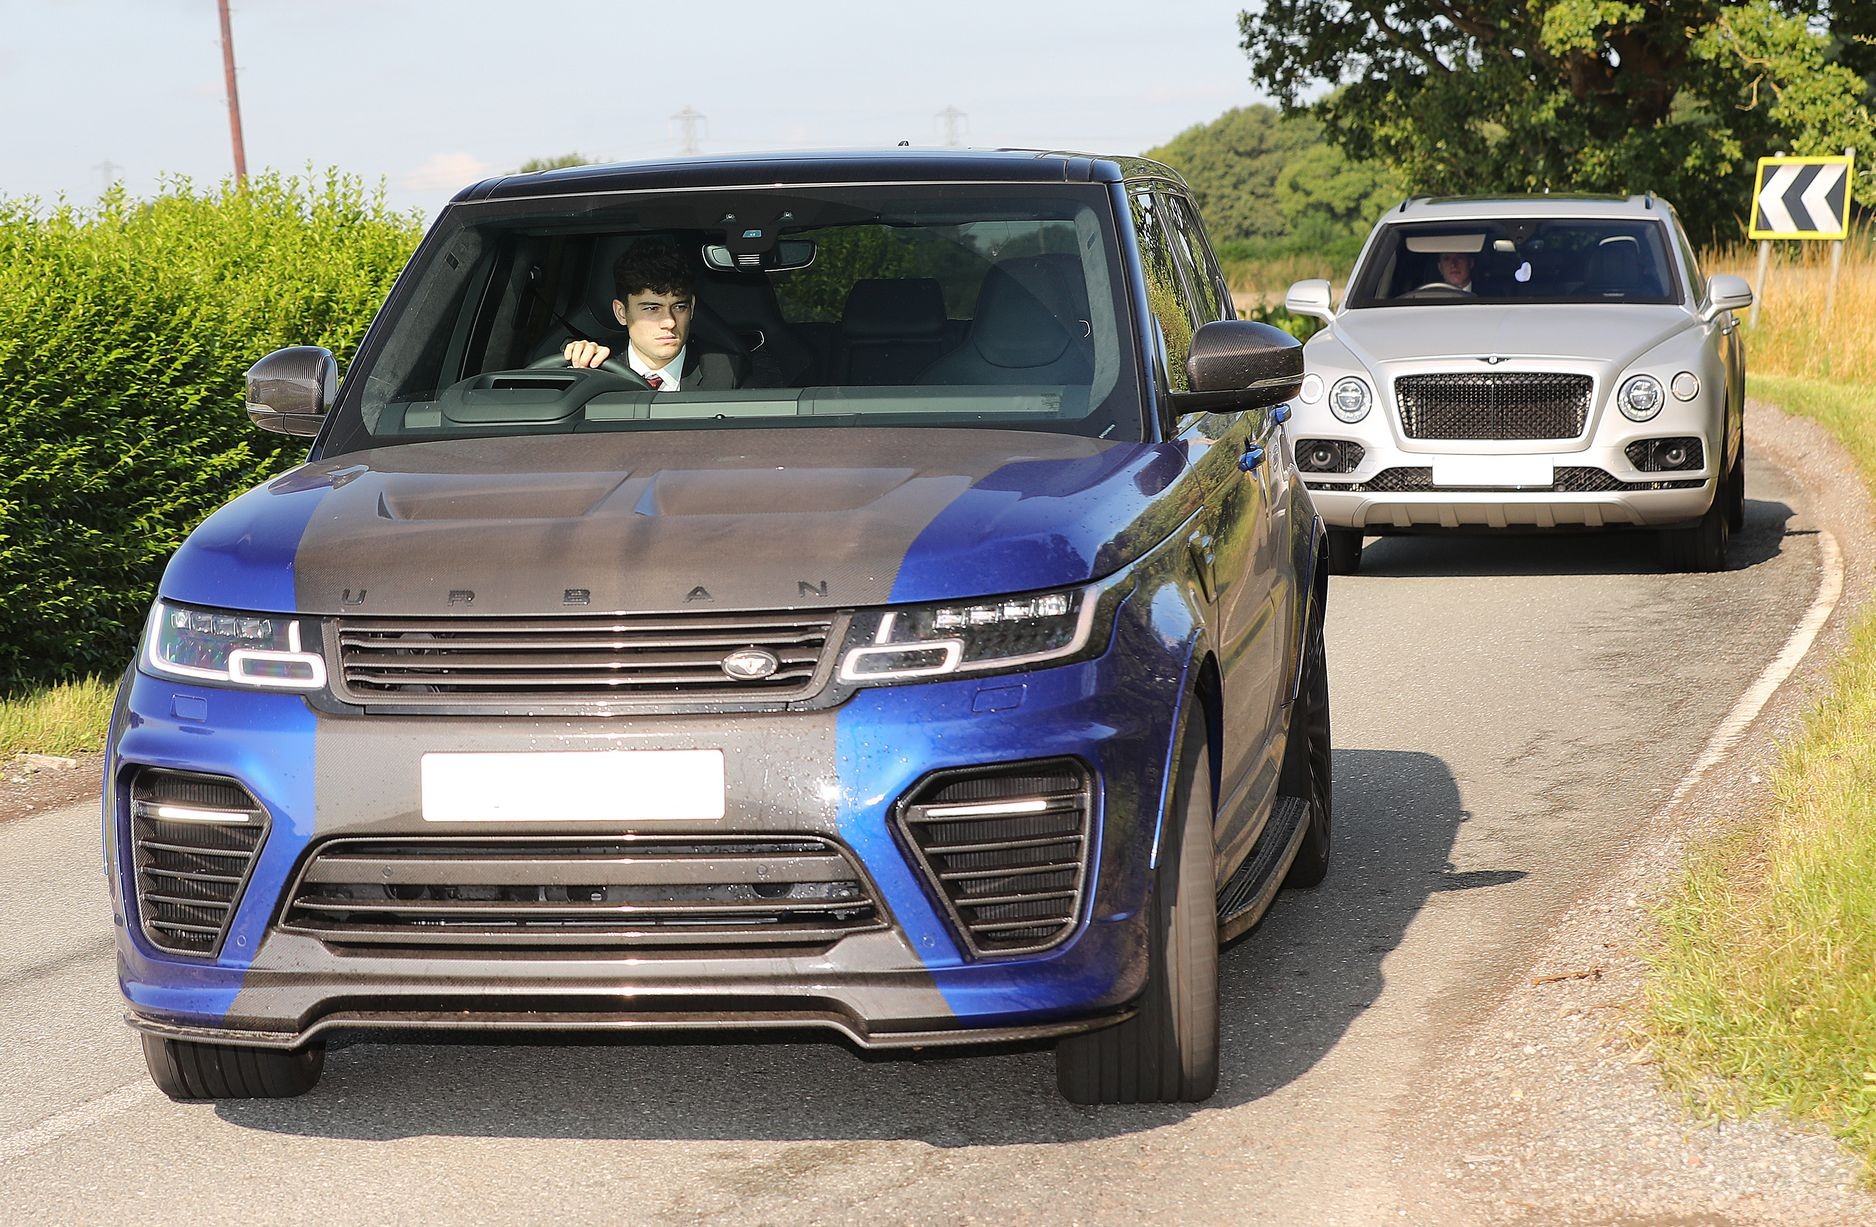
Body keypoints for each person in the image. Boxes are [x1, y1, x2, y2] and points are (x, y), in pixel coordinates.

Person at [562, 241, 741, 390]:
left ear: (692, 307)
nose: (669, 322)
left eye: (679, 307)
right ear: (621, 312)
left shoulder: (726, 371)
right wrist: (575, 360)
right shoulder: (593, 363)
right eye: (652, 309)